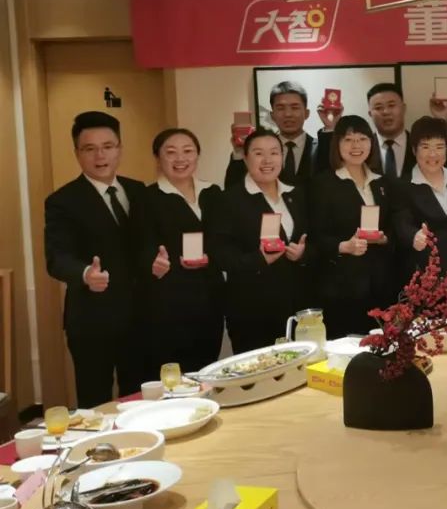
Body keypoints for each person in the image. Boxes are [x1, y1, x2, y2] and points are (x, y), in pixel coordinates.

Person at [45, 112, 147, 407]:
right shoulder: (63, 201)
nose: (100, 156)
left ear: (119, 149)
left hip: (140, 317)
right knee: (95, 402)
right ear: (77, 153)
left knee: (139, 398)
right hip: (92, 322)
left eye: (107, 146)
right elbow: (57, 257)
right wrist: (85, 273)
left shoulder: (138, 190)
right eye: (89, 149)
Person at [208, 130, 311, 354]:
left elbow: (312, 239)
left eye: (274, 153)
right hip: (251, 309)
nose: (267, 160)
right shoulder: (229, 200)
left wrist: (303, 253)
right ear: (245, 158)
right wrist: (258, 259)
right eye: (258, 153)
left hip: (295, 305)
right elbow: (220, 253)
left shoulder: (296, 194)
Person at [141, 128, 225, 373]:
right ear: (158, 158)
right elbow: (142, 244)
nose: (180, 159)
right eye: (171, 152)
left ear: (197, 155)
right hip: (169, 303)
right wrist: (153, 263)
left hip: (210, 298)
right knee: (177, 374)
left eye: (188, 151)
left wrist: (212, 257)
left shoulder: (212, 193)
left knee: (208, 370)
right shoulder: (147, 198)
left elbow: (224, 240)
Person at [309, 116, 400, 339]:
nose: (356, 145)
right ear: (337, 144)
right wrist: (344, 246)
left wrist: (384, 238)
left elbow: (394, 224)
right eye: (348, 139)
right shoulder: (323, 184)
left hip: (381, 284)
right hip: (342, 286)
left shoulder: (382, 182)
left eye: (362, 139)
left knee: (384, 345)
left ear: (371, 142)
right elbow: (315, 235)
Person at [397, 116, 447, 273]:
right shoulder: (404, 185)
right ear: (414, 150)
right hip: (424, 272)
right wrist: (413, 236)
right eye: (425, 147)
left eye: (439, 147)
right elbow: (401, 223)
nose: (432, 154)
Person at [224, 81, 329, 188]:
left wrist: (330, 127)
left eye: (294, 107)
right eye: (280, 108)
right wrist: (239, 152)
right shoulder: (258, 151)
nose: (288, 114)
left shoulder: (320, 148)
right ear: (272, 115)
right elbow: (233, 190)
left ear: (306, 113)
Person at [368, 83, 415, 179]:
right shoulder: (362, 149)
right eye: (378, 107)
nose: (386, 112)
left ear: (403, 108)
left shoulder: (419, 145)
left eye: (391, 105)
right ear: (370, 114)